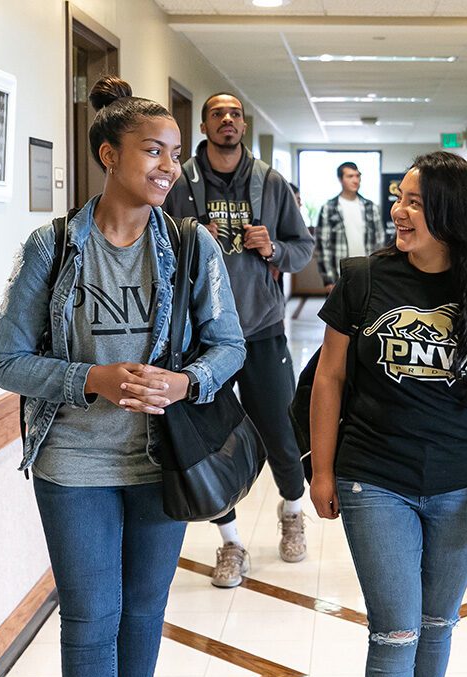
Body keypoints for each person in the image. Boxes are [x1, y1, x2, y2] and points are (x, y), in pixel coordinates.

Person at [0, 76, 245, 677]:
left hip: (164, 461)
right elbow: (5, 361)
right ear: (110, 155)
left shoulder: (192, 247)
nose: (169, 167)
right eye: (154, 150)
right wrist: (91, 379)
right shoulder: (51, 247)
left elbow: (230, 345)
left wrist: (187, 383)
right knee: (89, 618)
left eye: (176, 153)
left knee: (144, 613)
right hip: (74, 465)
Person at [310, 151, 467, 677]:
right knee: (395, 632)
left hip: (464, 483)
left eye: (414, 203)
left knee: (436, 625)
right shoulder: (363, 279)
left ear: (450, 216)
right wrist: (321, 471)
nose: (398, 213)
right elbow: (328, 378)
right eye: (398, 200)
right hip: (375, 477)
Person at [163, 92, 314, 588]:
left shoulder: (270, 182)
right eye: (217, 114)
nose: (227, 120)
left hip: (261, 327)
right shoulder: (180, 182)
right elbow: (152, 240)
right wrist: (188, 233)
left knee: (279, 426)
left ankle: (293, 510)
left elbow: (302, 248)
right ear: (204, 124)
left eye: (235, 114)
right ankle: (230, 542)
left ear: (243, 125)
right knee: (209, 440)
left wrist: (272, 246)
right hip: (201, 336)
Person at [315, 161, 385, 293]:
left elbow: (380, 241)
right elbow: (322, 246)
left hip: (367, 273)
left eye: (358, 176)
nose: (355, 180)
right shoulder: (329, 208)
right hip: (339, 274)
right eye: (350, 176)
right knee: (340, 313)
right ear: (340, 179)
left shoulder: (371, 207)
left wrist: (378, 272)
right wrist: (328, 279)